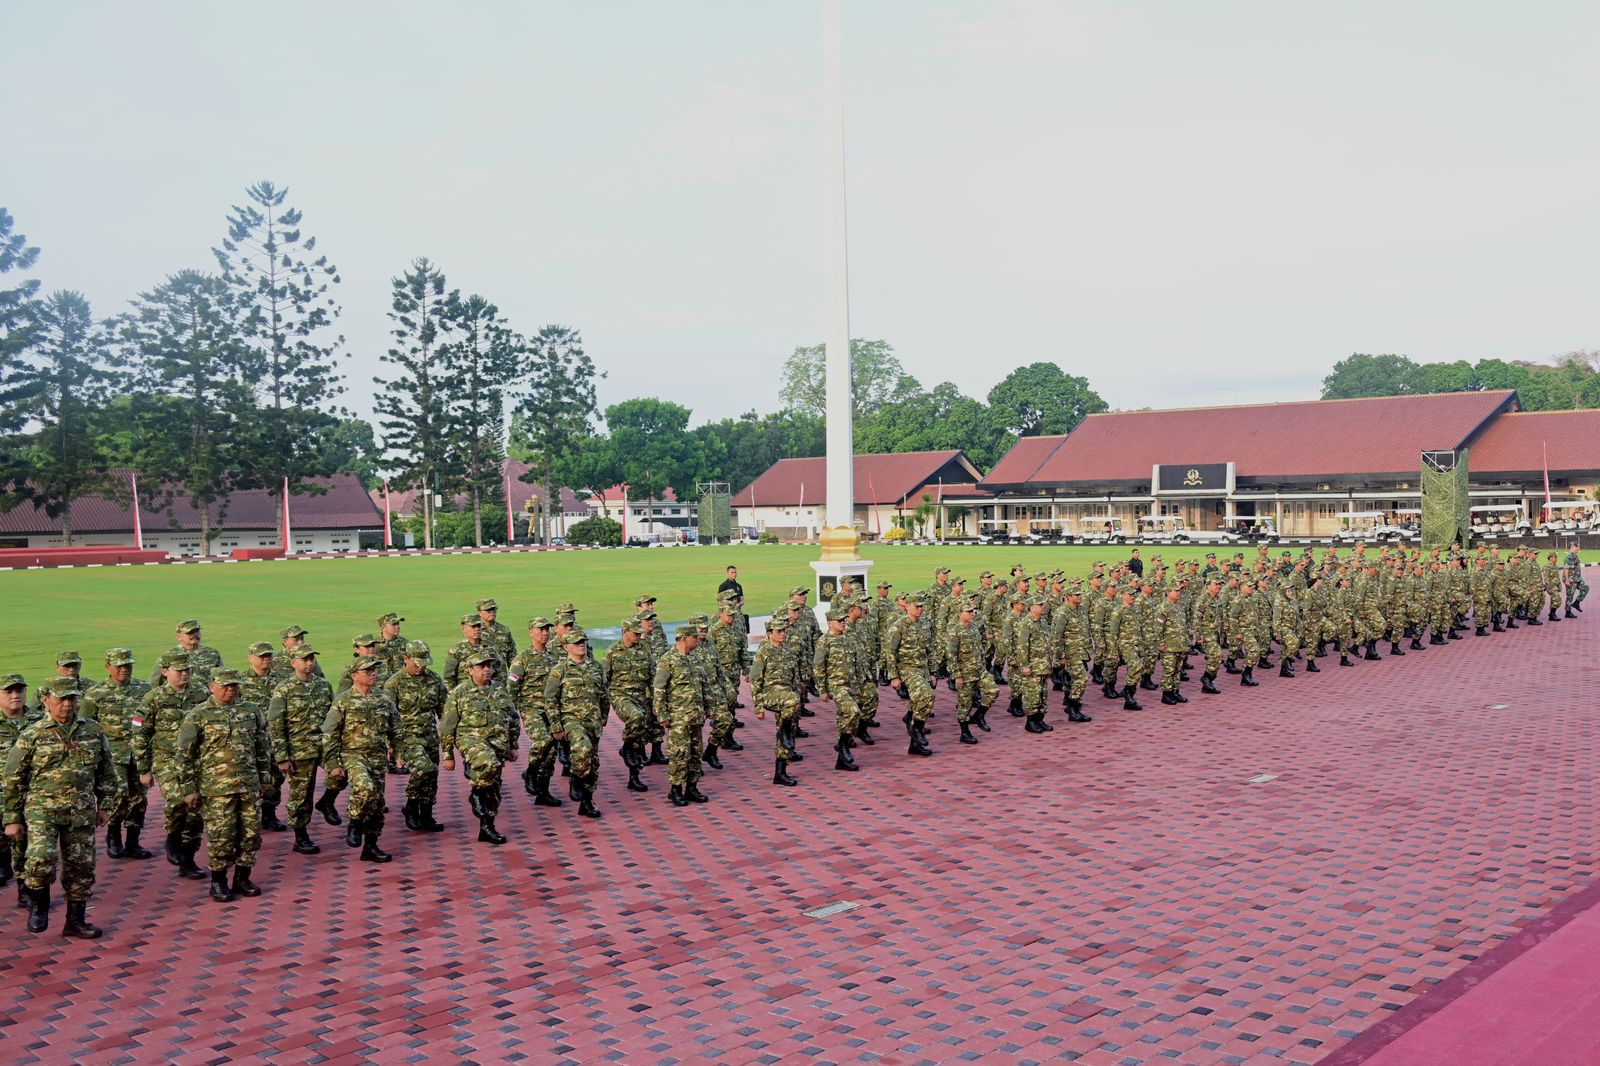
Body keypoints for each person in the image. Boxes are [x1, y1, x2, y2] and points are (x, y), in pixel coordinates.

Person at [3, 677, 118, 938]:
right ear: (46, 701)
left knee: (81, 867)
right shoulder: (32, 735)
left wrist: (105, 805)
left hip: (81, 810)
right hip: (42, 809)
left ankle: (75, 920)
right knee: (40, 858)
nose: (67, 704)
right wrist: (12, 817)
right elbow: (12, 779)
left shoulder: (93, 730)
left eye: (72, 698)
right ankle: (38, 904)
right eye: (61, 699)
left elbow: (106, 771)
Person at [176, 669, 272, 903]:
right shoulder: (198, 715)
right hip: (217, 789)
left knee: (251, 834)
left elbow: (262, 747)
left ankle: (242, 877)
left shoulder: (250, 710)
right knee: (222, 837)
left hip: (248, 785)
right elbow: (183, 755)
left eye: (234, 685)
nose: (231, 689)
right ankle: (218, 881)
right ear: (212, 686)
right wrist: (188, 789)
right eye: (226, 685)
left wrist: (264, 778)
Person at [134, 652, 209, 880]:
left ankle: (188, 859)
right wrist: (143, 768)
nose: (184, 674)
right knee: (178, 799)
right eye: (179, 671)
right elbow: (139, 731)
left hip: (196, 761)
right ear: (166, 672)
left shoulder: (202, 694)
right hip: (166, 760)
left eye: (187, 670)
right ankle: (173, 835)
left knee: (196, 810)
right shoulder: (152, 698)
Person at [320, 656, 399, 862]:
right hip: (353, 755)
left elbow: (397, 730)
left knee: (377, 804)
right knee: (365, 789)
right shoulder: (344, 700)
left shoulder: (384, 698)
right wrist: (332, 764)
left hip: (377, 757)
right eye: (368, 671)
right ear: (354, 676)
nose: (373, 673)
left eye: (374, 670)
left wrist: (399, 754)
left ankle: (371, 847)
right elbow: (330, 734)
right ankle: (354, 821)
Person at [78, 648, 154, 859]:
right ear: (107, 667)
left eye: (128, 665)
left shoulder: (144, 689)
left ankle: (133, 842)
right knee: (119, 795)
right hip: (112, 756)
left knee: (139, 799)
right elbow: (86, 726)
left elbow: (151, 719)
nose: (124, 669)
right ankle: (113, 836)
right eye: (119, 666)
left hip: (138, 753)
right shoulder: (96, 693)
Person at [441, 650, 518, 843]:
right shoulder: (460, 692)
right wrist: (448, 754)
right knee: (488, 763)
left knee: (493, 788)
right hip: (471, 740)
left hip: (497, 744)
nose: (486, 670)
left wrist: (513, 745)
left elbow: (513, 718)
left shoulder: (499, 689)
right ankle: (475, 792)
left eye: (489, 666)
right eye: (481, 666)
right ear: (470, 670)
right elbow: (447, 725)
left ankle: (487, 827)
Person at [267, 646, 337, 853]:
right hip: (298, 750)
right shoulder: (284, 689)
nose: (309, 663)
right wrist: (281, 757)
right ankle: (301, 835)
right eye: (304, 659)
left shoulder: (323, 685)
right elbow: (276, 724)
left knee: (341, 774)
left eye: (311, 659)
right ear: (293, 662)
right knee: (301, 794)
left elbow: (332, 718)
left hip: (324, 746)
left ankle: (327, 802)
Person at [386, 641, 447, 832]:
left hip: (429, 735)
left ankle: (426, 814)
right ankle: (411, 807)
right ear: (406, 659)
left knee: (432, 776)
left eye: (424, 663)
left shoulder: (434, 679)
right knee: (424, 769)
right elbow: (387, 716)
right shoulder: (394, 683)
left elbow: (443, 710)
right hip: (407, 737)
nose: (421, 667)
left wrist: (448, 738)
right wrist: (390, 745)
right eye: (416, 663)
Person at [544, 631, 607, 818]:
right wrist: (556, 726)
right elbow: (550, 699)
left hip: (593, 722)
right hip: (572, 720)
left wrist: (603, 719)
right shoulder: (560, 670)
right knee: (582, 749)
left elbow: (604, 695)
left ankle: (587, 801)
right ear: (566, 647)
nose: (582, 645)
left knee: (592, 763)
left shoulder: (596, 667)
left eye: (584, 642)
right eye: (577, 642)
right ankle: (576, 779)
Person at [508, 618, 563, 807]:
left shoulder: (556, 657)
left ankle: (543, 791)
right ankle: (530, 772)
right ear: (531, 632)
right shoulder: (521, 659)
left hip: (551, 710)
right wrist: (512, 716)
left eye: (547, 629)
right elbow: (512, 689)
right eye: (540, 630)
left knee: (551, 751)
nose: (545, 633)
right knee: (543, 740)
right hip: (531, 708)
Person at [656, 623, 711, 802]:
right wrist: (662, 714)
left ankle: (692, 788)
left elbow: (704, 685)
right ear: (684, 639)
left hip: (696, 715)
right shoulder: (668, 660)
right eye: (695, 637)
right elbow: (659, 688)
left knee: (696, 752)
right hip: (678, 716)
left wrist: (709, 708)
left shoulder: (695, 658)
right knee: (680, 753)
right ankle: (676, 789)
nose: (698, 640)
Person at [237, 642, 286, 831]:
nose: (266, 659)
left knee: (275, 778)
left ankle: (269, 814)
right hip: (249, 740)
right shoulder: (240, 682)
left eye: (269, 655)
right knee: (247, 778)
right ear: (250, 658)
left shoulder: (281, 681)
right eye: (261, 656)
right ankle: (247, 817)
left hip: (274, 738)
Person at [603, 618, 655, 792]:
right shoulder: (612, 652)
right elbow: (604, 679)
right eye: (635, 633)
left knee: (640, 738)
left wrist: (656, 701)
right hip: (621, 696)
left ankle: (634, 777)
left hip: (641, 696)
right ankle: (626, 746)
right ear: (625, 631)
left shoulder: (645, 651)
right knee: (636, 717)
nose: (639, 635)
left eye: (640, 633)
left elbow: (652, 678)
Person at [884, 593, 935, 755]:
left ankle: (914, 744)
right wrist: (894, 676)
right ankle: (917, 728)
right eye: (917, 606)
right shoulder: (898, 627)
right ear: (907, 607)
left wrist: (933, 672)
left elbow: (929, 650)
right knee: (927, 696)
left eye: (922, 606)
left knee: (919, 700)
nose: (920, 609)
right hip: (907, 669)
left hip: (922, 669)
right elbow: (890, 652)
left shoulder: (923, 625)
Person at [1, 675, 31, 901]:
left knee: (26, 842)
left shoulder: (39, 720)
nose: (15, 696)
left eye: (19, 690)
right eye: (9, 692)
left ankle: (25, 889)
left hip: (29, 793)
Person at [150, 619, 224, 686]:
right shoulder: (168, 656)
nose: (195, 635)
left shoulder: (212, 653)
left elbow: (222, 676)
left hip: (207, 697)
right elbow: (155, 682)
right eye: (190, 633)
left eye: (197, 631)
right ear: (179, 636)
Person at [475, 598, 518, 664]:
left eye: (494, 609)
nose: (492, 612)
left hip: (502, 673)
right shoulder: (475, 630)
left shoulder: (504, 630)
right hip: (483, 672)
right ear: (479, 613)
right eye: (488, 610)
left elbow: (512, 654)